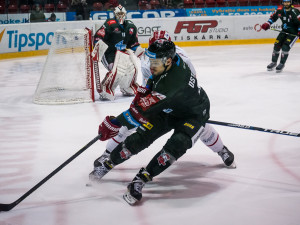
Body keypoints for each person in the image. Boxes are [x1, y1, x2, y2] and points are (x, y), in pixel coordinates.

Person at [89, 40, 236, 205]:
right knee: (140, 137)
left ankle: (141, 179)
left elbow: (138, 114)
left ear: (167, 60)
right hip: (170, 107)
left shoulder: (173, 84)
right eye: (150, 60)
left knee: (177, 144)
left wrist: (115, 122)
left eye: (155, 62)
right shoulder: (173, 61)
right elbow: (154, 81)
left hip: (193, 114)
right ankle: (108, 164)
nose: (151, 65)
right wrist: (146, 89)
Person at [92, 4, 144, 100]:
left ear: (125, 14)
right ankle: (106, 88)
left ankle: (127, 87)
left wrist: (138, 50)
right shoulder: (110, 23)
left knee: (131, 70)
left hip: (122, 54)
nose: (120, 15)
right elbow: (99, 36)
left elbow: (133, 43)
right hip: (109, 53)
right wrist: (97, 45)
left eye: (122, 13)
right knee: (115, 70)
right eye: (118, 13)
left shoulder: (131, 26)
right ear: (114, 14)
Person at [261, 0, 300, 72]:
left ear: (291, 2)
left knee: (285, 47)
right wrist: (267, 24)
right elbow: (273, 18)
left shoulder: (295, 11)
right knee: (276, 45)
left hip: (293, 33)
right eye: (285, 2)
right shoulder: (279, 10)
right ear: (283, 2)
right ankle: (274, 62)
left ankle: (282, 64)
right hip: (284, 31)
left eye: (288, 2)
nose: (286, 3)